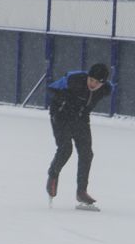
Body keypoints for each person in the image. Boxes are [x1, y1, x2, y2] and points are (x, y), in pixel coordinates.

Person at [46, 62, 111, 207]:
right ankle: (53, 175)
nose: (93, 84)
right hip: (61, 114)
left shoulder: (106, 89)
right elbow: (51, 88)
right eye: (91, 80)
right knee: (65, 148)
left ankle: (81, 191)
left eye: (97, 82)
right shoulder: (74, 79)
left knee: (86, 153)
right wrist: (64, 99)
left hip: (81, 118)